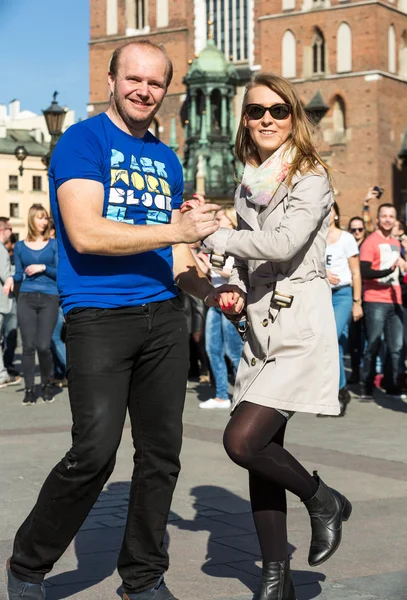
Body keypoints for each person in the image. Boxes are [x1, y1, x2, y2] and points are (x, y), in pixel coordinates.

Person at [5, 40, 219, 600]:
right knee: (94, 453)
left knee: (160, 457)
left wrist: (214, 291)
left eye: (155, 82)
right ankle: (28, 564)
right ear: (111, 80)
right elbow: (87, 233)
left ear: (166, 89)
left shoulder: (167, 158)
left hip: (165, 319)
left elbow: (174, 257)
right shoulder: (82, 142)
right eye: (134, 79)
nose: (144, 90)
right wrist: (179, 230)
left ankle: (143, 579)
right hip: (98, 317)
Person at [200, 73, 351, 600]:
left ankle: (322, 498)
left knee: (241, 439)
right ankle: (274, 578)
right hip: (260, 330)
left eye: (278, 111)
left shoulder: (311, 176)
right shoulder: (249, 181)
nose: (266, 118)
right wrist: (232, 284)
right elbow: (249, 256)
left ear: (294, 118)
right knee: (262, 450)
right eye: (255, 110)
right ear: (245, 120)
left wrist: (213, 232)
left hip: (299, 323)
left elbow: (284, 243)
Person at [3, 204, 59, 406]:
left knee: (43, 346)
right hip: (26, 297)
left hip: (49, 297)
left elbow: (59, 272)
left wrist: (43, 267)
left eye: (46, 218)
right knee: (28, 346)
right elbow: (19, 273)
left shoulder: (53, 245)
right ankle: (29, 389)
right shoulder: (19, 246)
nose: (44, 222)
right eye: (41, 218)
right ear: (32, 219)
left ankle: (46, 384)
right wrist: (11, 279)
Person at [198, 207, 244, 409]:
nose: (216, 222)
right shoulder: (214, 244)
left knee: (234, 351)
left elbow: (237, 273)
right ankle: (221, 395)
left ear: (231, 222)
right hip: (215, 299)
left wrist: (212, 267)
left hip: (231, 301)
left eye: (219, 219)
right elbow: (206, 274)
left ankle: (244, 396)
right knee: (212, 349)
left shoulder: (238, 244)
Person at [359, 204, 406, 400]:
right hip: (375, 300)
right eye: (384, 216)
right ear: (378, 219)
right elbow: (365, 271)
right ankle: (367, 384)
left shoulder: (396, 243)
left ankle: (391, 383)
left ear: (395, 220)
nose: (387, 219)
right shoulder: (370, 242)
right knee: (374, 344)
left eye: (391, 216)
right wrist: (389, 270)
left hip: (395, 300)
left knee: (395, 347)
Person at [324, 202, 363, 415]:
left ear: (337, 214)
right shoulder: (313, 237)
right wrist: (322, 272)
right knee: (332, 343)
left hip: (342, 295)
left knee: (331, 337)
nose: (327, 213)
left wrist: (357, 302)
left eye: (330, 209)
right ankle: (338, 390)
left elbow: (356, 272)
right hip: (320, 295)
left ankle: (339, 390)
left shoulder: (346, 238)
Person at [0, 218, 21, 389]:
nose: (11, 232)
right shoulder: (1, 250)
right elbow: (5, 274)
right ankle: (1, 374)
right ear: (2, 230)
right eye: (10, 228)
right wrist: (20, 271)